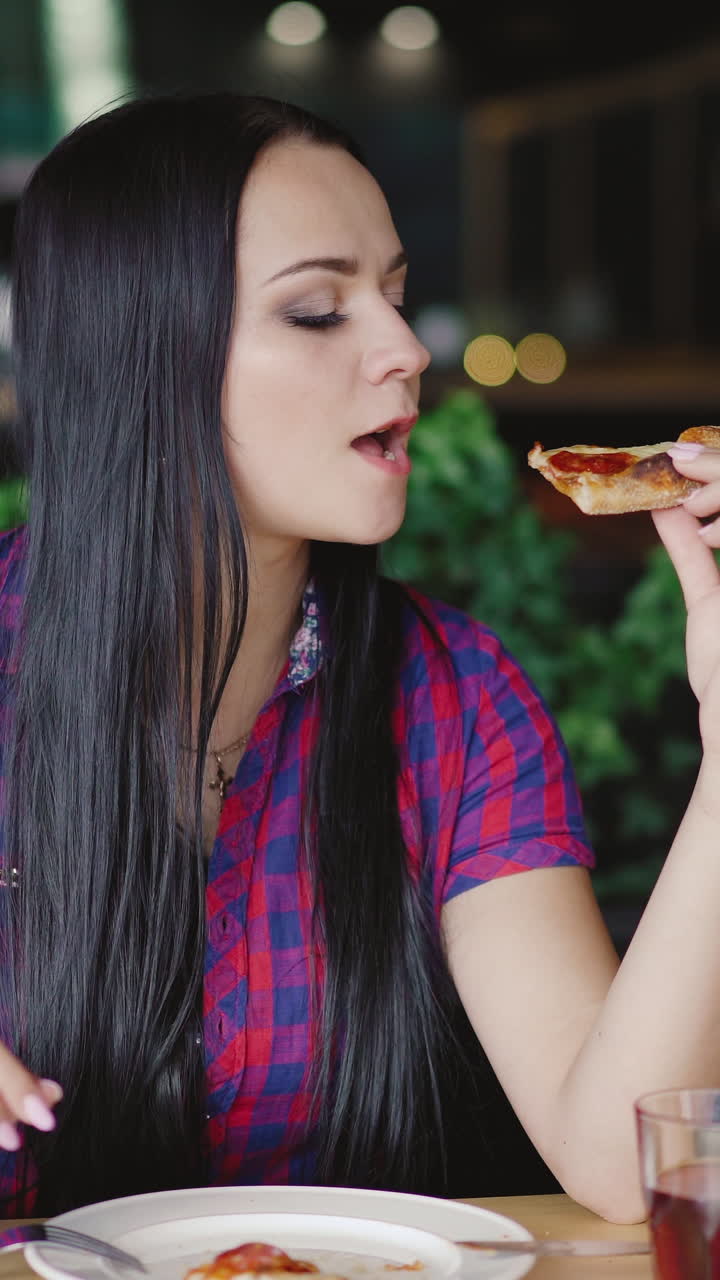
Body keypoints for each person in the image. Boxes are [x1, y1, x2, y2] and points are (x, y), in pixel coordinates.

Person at [0, 89, 718, 1225]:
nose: (403, 350)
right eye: (317, 312)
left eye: (392, 294)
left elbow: (623, 1159)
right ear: (140, 349)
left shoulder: (456, 699)